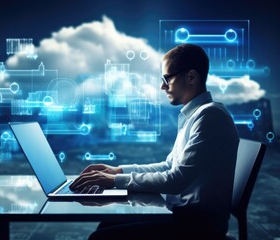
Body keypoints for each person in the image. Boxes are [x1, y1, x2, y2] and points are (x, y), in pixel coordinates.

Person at [70, 43, 239, 239]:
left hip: (199, 225)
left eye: (167, 78)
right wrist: (118, 171)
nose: (162, 86)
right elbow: (169, 166)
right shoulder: (196, 115)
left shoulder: (209, 116)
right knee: (106, 225)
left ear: (191, 77)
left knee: (101, 238)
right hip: (185, 215)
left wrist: (114, 181)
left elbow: (176, 181)